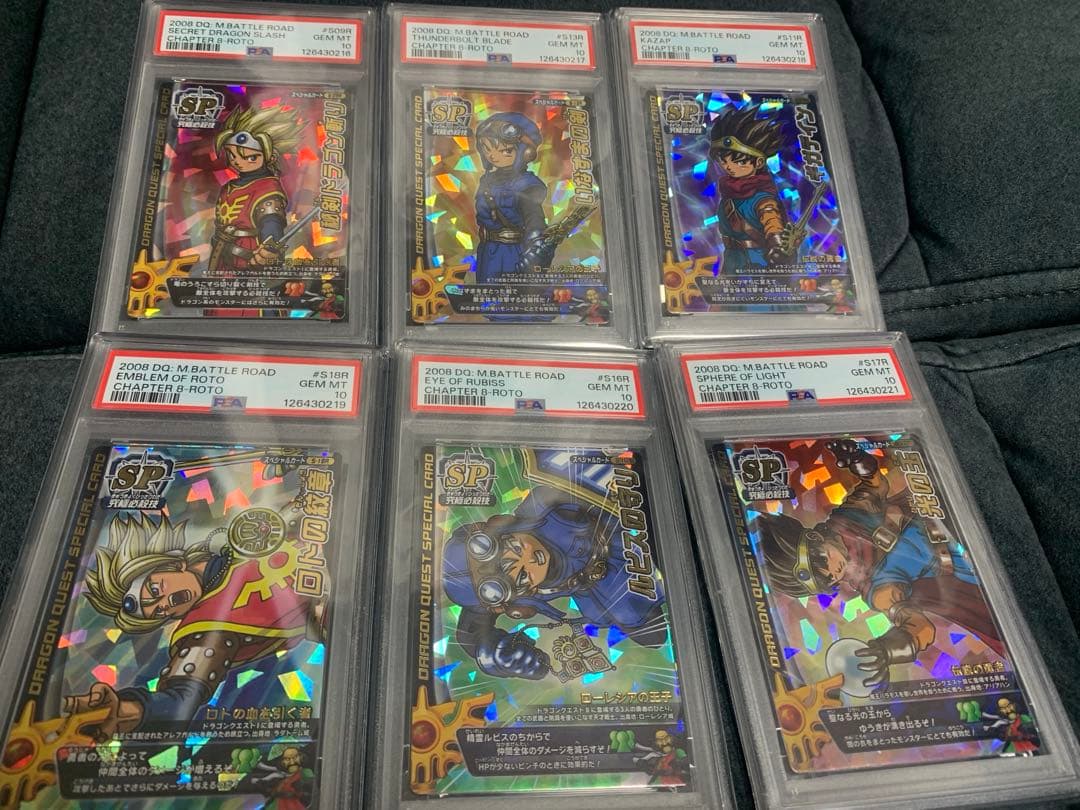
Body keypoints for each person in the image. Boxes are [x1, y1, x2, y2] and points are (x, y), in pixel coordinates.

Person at [753, 438, 1003, 690]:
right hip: (975, 571)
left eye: (822, 562)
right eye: (824, 579)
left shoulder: (847, 518)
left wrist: (858, 461)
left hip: (951, 507)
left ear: (815, 538)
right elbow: (918, 627)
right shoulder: (877, 588)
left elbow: (875, 484)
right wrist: (885, 650)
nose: (833, 572)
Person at [63, 512, 326, 739]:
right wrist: (126, 710)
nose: (165, 603)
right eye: (159, 611)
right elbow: (181, 697)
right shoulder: (205, 627)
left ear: (171, 564)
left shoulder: (237, 540)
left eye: (155, 589)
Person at [442, 486, 666, 680]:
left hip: (641, 519)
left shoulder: (545, 504)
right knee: (643, 628)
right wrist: (491, 655)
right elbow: (471, 629)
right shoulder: (609, 604)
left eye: (514, 547)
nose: (528, 558)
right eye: (520, 576)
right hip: (618, 580)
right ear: (518, 600)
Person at [209, 104, 304, 272]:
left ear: (270, 157)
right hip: (221, 259)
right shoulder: (229, 187)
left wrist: (269, 249)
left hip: (248, 262)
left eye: (251, 157)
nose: (238, 162)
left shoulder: (267, 188)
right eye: (232, 155)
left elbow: (271, 222)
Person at [708, 103, 790, 270]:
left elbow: (772, 222)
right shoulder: (729, 192)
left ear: (758, 162)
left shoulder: (763, 198)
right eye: (724, 161)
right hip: (732, 259)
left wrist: (776, 244)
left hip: (756, 261)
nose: (729, 167)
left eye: (738, 161)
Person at [472, 113, 550, 283]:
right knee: (486, 296)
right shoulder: (487, 181)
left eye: (505, 151)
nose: (493, 156)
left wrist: (535, 253)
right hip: (488, 251)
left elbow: (535, 222)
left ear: (525, 152)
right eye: (487, 149)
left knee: (512, 296)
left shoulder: (526, 184)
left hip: (513, 252)